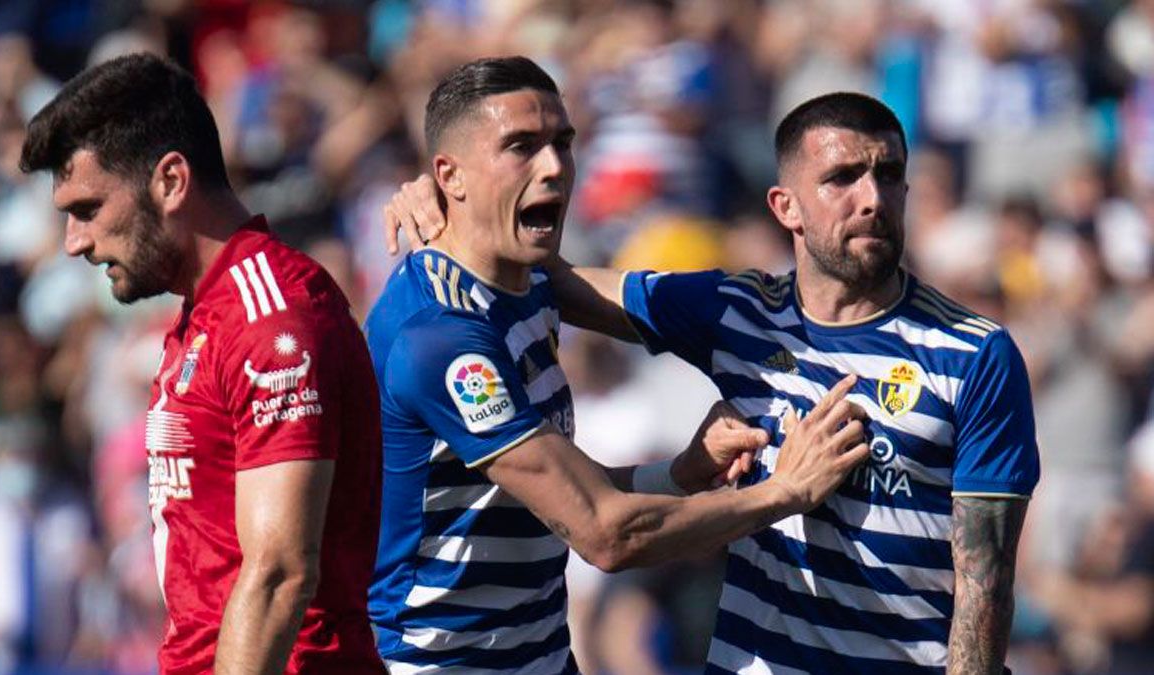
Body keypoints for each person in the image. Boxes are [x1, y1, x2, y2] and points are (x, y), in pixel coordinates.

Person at [386, 91, 1042, 673]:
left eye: (888, 174)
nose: (871, 198)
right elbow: (553, 277)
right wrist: (452, 205)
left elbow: (984, 575)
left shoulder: (973, 353)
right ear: (785, 205)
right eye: (842, 177)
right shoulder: (738, 311)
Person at [366, 56, 871, 674]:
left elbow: (569, 492)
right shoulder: (442, 337)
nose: (554, 168)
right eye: (521, 147)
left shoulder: (527, 286)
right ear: (451, 175)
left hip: (542, 658)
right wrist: (785, 492)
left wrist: (682, 472)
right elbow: (605, 533)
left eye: (563, 143)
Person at [20, 53, 384, 674]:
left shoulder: (272, 322)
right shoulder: (203, 315)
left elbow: (278, 573)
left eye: (87, 209)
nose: (74, 243)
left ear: (170, 181)